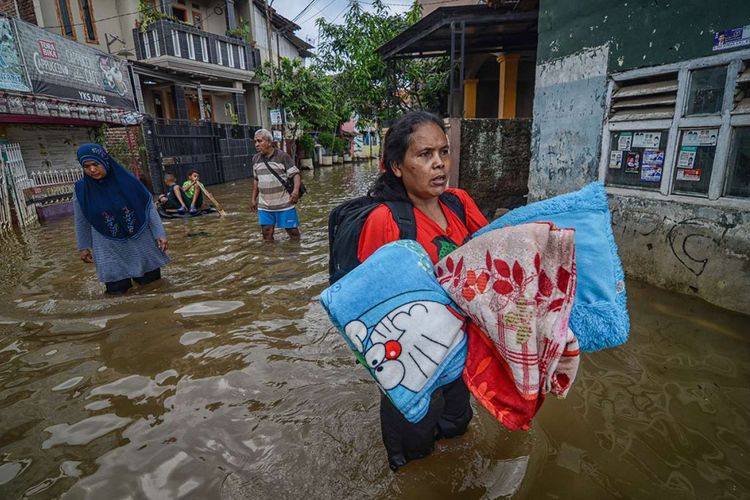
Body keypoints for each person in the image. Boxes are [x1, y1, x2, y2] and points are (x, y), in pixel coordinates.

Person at [356, 111, 489, 471]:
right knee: (414, 457)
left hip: (458, 354)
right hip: (411, 365)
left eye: (444, 153)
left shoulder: (459, 202)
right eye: (425, 154)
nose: (439, 164)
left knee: (458, 428)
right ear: (397, 166)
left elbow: (491, 258)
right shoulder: (385, 221)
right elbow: (372, 308)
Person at [74, 143, 170, 295]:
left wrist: (160, 233)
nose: (92, 170)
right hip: (107, 244)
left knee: (153, 287)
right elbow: (81, 220)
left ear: (105, 161)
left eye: (95, 164)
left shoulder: (129, 182)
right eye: (86, 166)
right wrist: (83, 246)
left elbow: (148, 206)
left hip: (139, 239)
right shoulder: (81, 190)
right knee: (116, 292)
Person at [251, 128, 301, 241]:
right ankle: (270, 257)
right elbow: (256, 180)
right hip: (265, 205)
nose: (256, 145)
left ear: (269, 142)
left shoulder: (282, 156)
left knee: (293, 233)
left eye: (259, 141)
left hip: (284, 203)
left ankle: (295, 254)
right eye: (255, 142)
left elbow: (296, 174)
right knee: (266, 234)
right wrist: (253, 199)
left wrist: (295, 191)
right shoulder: (255, 159)